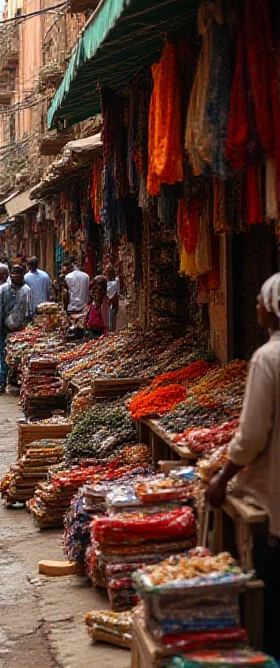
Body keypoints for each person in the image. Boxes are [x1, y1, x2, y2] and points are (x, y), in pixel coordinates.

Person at [206, 273, 280, 659]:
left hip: (274, 500)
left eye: (259, 301)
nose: (255, 307)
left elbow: (250, 438)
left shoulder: (267, 358)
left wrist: (222, 478)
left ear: (273, 307)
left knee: (272, 604)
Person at [0, 265, 32, 395]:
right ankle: (2, 383)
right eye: (14, 275)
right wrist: (1, 327)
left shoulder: (26, 290)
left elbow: (28, 310)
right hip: (5, 328)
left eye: (19, 275)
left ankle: (15, 381)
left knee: (19, 357)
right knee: (3, 356)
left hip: (21, 329)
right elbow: (0, 309)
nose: (16, 277)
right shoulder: (4, 289)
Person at [105, 264, 120, 333]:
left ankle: (112, 330)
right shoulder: (106, 281)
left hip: (113, 301)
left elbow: (116, 292)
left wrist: (111, 299)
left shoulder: (116, 280)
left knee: (112, 317)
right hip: (107, 301)